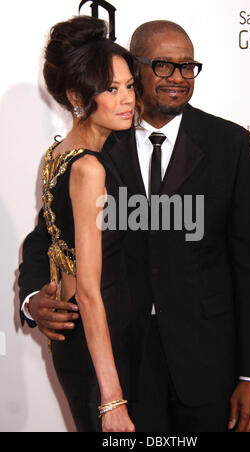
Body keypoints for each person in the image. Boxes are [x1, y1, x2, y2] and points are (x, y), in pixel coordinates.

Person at [19, 20, 250, 432]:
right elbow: (46, 234)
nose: (178, 77)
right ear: (133, 67)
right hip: (123, 357)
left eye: (187, 66)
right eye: (162, 65)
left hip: (207, 358)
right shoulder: (101, 143)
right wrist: (33, 297)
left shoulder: (230, 144)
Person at [19, 15, 146, 432]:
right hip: (99, 350)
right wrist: (113, 400)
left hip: (90, 342)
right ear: (77, 95)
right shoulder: (89, 169)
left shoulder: (57, 154)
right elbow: (90, 292)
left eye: (128, 85)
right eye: (111, 89)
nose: (127, 99)